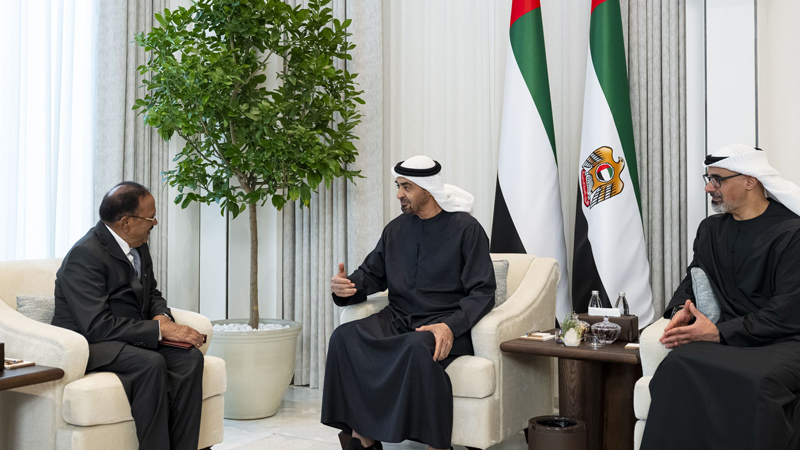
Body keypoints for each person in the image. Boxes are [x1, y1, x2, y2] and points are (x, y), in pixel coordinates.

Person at [321, 156, 496, 450]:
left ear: (428, 189)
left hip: (443, 323)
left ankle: (437, 445)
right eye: (398, 186)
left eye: (406, 187)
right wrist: (346, 287)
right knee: (344, 337)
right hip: (398, 318)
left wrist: (450, 327)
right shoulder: (395, 229)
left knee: (415, 348)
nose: (399, 194)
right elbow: (371, 275)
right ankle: (363, 437)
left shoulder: (467, 229)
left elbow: (483, 291)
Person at [641, 144, 800, 450]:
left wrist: (718, 332)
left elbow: (789, 310)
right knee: (677, 365)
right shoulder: (711, 229)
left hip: (784, 340)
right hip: (729, 337)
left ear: (750, 181)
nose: (708, 187)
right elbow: (695, 277)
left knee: (759, 384)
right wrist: (682, 309)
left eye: (717, 180)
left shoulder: (791, 232)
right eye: (708, 178)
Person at [51, 181, 206, 450]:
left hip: (128, 337)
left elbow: (152, 292)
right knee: (150, 363)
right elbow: (97, 326)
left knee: (189, 358)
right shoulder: (84, 255)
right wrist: (160, 331)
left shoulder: (138, 245)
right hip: (90, 343)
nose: (155, 223)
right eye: (150, 218)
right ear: (126, 222)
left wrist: (161, 317)